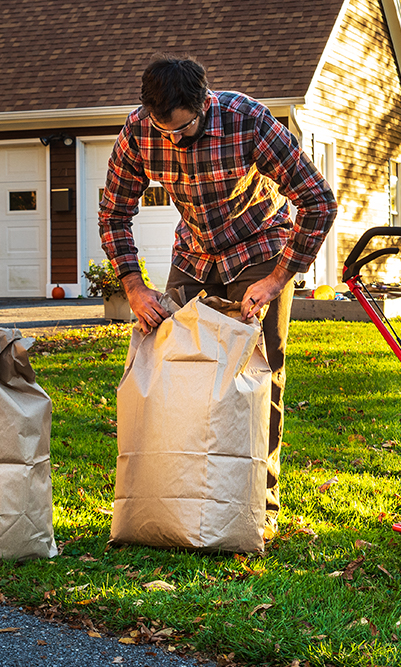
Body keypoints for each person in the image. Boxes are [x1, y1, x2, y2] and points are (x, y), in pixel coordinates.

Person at [98, 55, 337, 535]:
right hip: (195, 252)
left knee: (260, 377)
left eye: (183, 133)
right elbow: (113, 213)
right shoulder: (139, 131)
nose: (173, 143)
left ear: (203, 105)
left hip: (258, 248)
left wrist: (277, 280)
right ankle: (175, 494)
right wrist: (134, 286)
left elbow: (318, 200)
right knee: (171, 366)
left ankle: (257, 506)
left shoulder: (247, 121)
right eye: (163, 132)